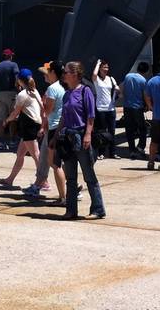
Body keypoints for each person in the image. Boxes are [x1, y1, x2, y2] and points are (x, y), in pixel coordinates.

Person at [53, 61, 105, 220]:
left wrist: (88, 135)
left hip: (81, 136)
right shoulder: (67, 93)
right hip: (67, 137)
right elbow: (63, 116)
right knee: (70, 178)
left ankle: (98, 210)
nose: (64, 75)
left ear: (75, 74)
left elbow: (91, 116)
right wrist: (55, 135)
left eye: (66, 72)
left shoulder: (85, 91)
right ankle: (71, 211)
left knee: (89, 175)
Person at [25, 61, 67, 204]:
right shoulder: (64, 86)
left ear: (53, 73)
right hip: (60, 127)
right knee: (50, 159)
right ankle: (39, 185)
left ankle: (64, 194)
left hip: (53, 128)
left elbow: (47, 111)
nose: (45, 75)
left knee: (55, 164)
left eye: (47, 72)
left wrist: (40, 101)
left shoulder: (52, 89)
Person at [0, 69, 42, 188]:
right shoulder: (34, 91)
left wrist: (7, 120)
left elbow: (15, 113)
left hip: (29, 126)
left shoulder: (22, 94)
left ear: (19, 80)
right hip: (33, 124)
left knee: (36, 155)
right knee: (20, 154)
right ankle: (10, 179)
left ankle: (44, 182)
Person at [121, 62, 148, 159]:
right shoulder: (143, 80)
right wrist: (147, 105)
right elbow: (145, 94)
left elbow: (122, 89)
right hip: (137, 107)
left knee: (129, 129)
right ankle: (141, 146)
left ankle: (131, 150)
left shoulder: (128, 76)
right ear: (146, 71)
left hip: (127, 106)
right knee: (142, 128)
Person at [0, 49, 19, 150]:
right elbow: (17, 78)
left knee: (1, 119)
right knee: (12, 118)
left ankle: (1, 142)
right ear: (10, 56)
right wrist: (19, 89)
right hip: (11, 93)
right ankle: (12, 141)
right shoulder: (14, 65)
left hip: (0, 94)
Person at [92, 60, 119, 160]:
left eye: (107, 67)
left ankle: (113, 152)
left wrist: (117, 90)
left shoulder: (111, 79)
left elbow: (117, 88)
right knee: (102, 132)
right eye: (104, 67)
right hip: (100, 109)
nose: (106, 69)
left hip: (111, 108)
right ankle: (101, 152)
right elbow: (94, 74)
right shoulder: (97, 80)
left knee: (112, 131)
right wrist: (98, 63)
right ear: (100, 69)